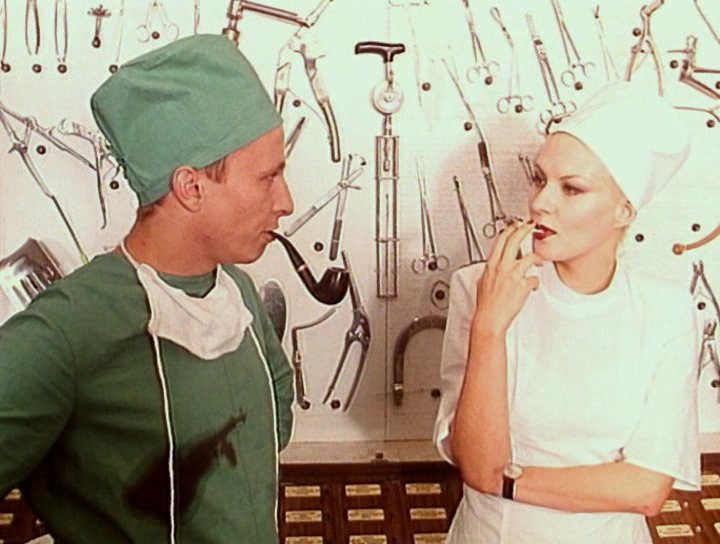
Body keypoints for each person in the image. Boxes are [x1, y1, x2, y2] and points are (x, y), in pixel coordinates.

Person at [0, 35, 295, 543]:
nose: (286, 202)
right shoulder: (68, 330)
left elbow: (271, 433)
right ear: (191, 187)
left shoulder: (239, 296)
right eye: (268, 177)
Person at [434, 81, 700, 543]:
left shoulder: (667, 312)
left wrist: (507, 480)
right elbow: (475, 464)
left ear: (624, 211)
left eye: (572, 189)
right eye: (539, 179)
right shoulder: (479, 287)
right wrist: (489, 327)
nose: (540, 202)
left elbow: (646, 489)